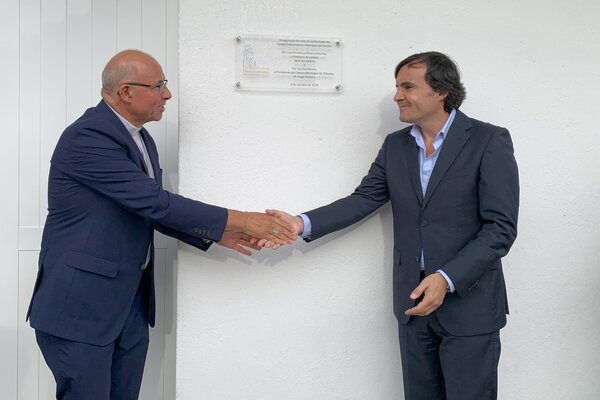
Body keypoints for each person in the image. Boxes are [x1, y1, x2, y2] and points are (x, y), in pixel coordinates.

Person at [26, 49, 295, 400]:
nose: (167, 94)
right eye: (158, 86)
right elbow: (154, 202)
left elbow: (145, 208)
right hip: (80, 309)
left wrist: (220, 234)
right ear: (126, 92)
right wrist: (245, 219)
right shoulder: (88, 137)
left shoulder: (140, 138)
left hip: (127, 308)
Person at [266, 51, 519, 400]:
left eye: (407, 87)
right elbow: (363, 199)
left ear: (440, 91)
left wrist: (446, 278)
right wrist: (300, 223)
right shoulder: (396, 145)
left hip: (469, 304)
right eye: (397, 87)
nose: (397, 96)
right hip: (413, 304)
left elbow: (500, 228)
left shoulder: (488, 140)